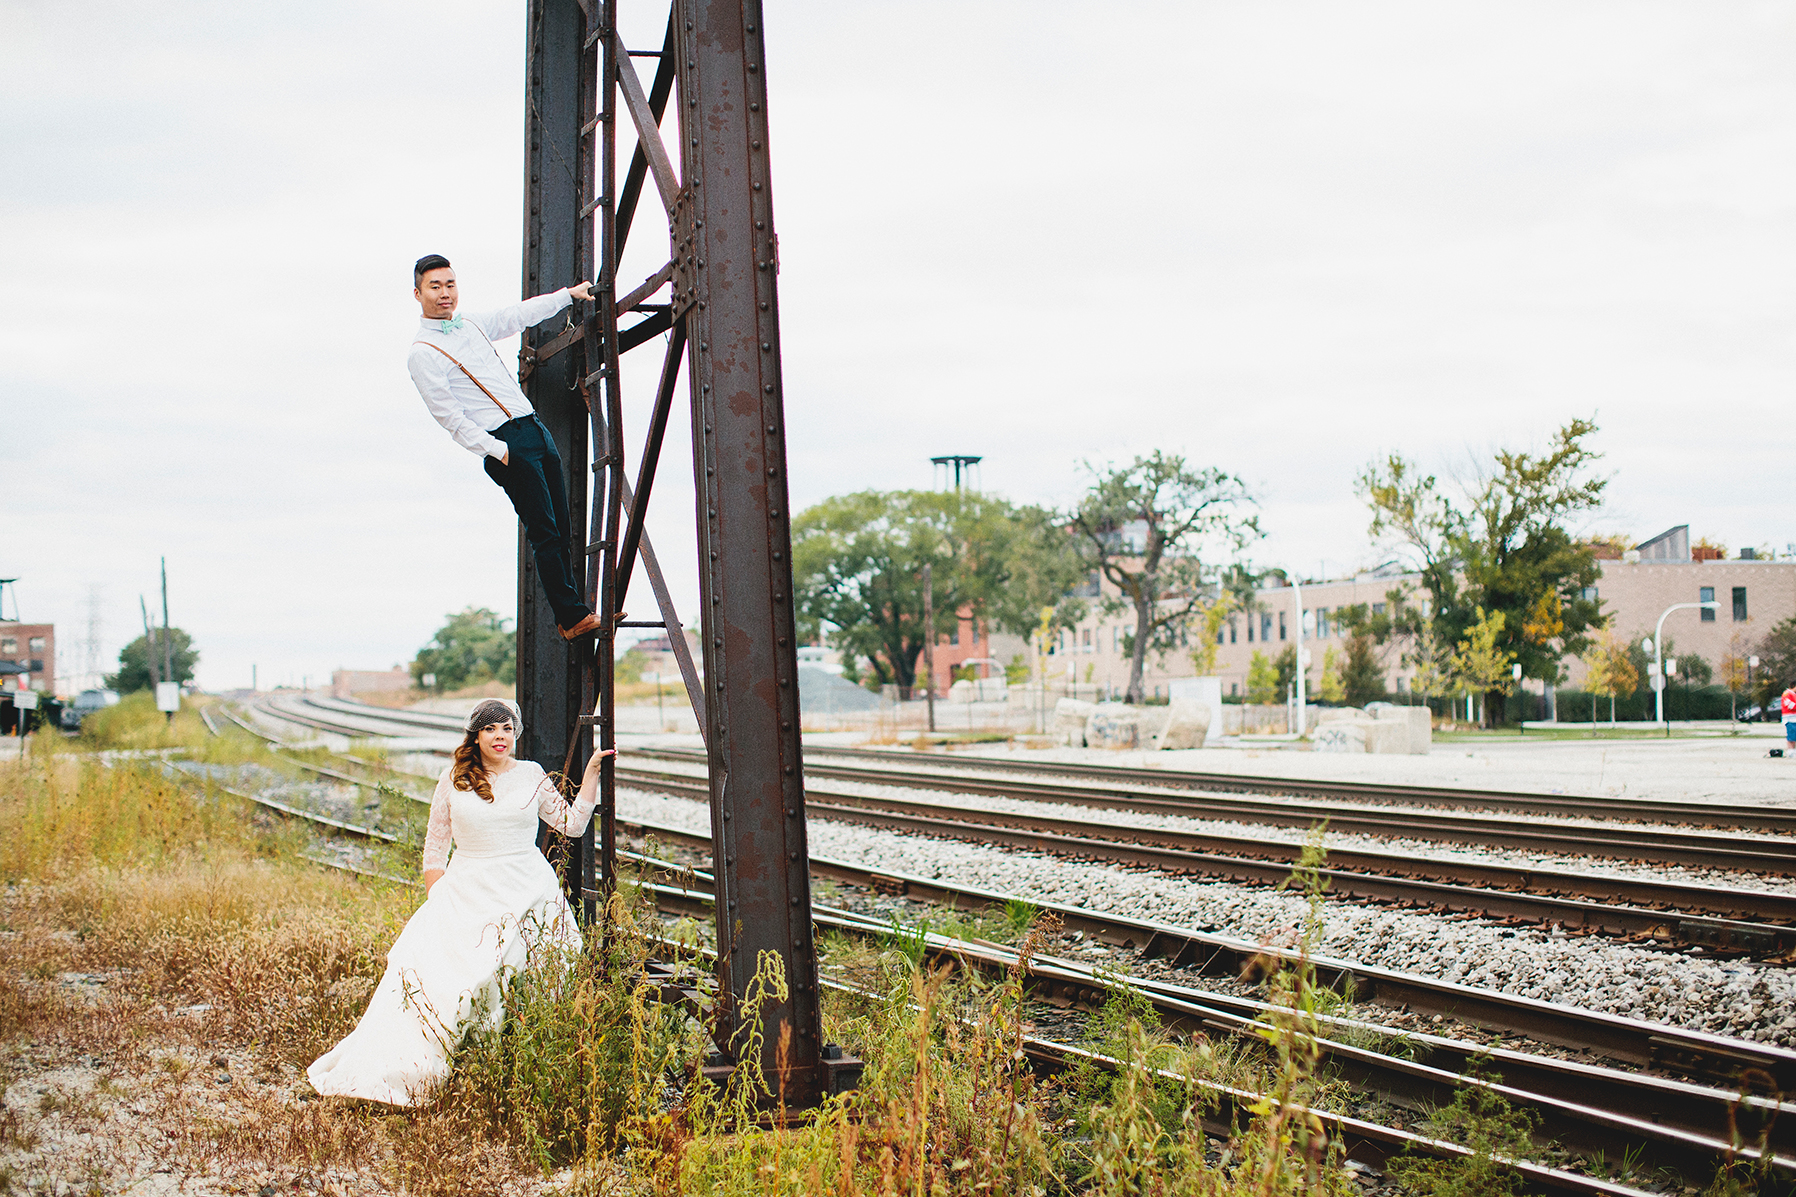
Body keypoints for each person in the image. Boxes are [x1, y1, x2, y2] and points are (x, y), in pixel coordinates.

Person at [306, 699, 616, 1105]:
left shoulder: (532, 774)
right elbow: (435, 849)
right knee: (446, 979)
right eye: (490, 729)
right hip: (467, 890)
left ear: (515, 733)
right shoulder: (454, 778)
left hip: (529, 888)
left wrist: (591, 774)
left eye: (507, 728)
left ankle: (512, 1062)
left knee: (530, 970)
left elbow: (572, 826)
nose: (500, 737)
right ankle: (443, 1065)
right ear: (476, 735)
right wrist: (438, 901)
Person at [408, 255, 602, 641]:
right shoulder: (422, 352)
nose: (445, 293)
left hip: (534, 429)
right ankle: (571, 618)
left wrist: (568, 295)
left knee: (562, 525)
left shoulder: (471, 323)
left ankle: (577, 610)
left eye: (450, 284)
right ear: (418, 294)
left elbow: (517, 315)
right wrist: (497, 450)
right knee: (545, 531)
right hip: (506, 442)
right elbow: (449, 417)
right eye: (435, 286)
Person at [1782, 685, 1796, 755]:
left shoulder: (1793, 694)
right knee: (1791, 735)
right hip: (1790, 718)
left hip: (1794, 718)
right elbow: (1789, 705)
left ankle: (1793, 751)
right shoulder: (1787, 694)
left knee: (1794, 735)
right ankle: (1791, 751)